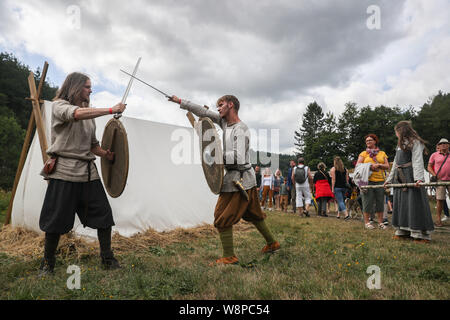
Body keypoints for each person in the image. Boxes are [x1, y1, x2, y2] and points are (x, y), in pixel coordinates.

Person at [169, 94, 279, 265]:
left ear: (231, 105)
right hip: (246, 180)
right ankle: (273, 243)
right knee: (254, 214)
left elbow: (238, 157)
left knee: (221, 216)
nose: (218, 108)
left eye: (220, 105)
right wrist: (181, 102)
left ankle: (229, 256)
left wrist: (215, 154)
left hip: (239, 180)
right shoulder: (224, 123)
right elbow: (203, 112)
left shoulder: (240, 129)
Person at [38, 72, 126, 275]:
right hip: (64, 172)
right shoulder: (59, 105)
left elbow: (92, 145)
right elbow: (75, 114)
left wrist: (107, 154)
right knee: (55, 220)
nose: (90, 90)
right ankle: (47, 264)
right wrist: (111, 109)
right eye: (87, 86)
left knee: (104, 216)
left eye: (90, 86)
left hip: (88, 173)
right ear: (75, 87)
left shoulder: (89, 115)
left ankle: (107, 259)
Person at [385, 121, 434, 242]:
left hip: (411, 176)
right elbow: (396, 163)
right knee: (401, 203)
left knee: (414, 203)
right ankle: (403, 231)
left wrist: (418, 179)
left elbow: (417, 161)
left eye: (396, 132)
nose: (395, 134)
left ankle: (419, 233)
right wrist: (389, 179)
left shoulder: (415, 142)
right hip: (399, 178)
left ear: (400, 131)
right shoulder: (400, 144)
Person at [356, 134, 389, 230]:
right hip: (366, 181)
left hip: (380, 181)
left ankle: (380, 223)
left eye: (370, 140)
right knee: (367, 202)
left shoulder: (382, 153)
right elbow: (358, 166)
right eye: (367, 141)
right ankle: (367, 222)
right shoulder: (363, 154)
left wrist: (379, 165)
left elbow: (387, 166)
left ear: (375, 141)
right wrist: (370, 166)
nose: (368, 142)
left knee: (380, 202)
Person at [427, 138, 450, 227]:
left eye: (445, 143)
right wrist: (434, 175)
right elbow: (429, 166)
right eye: (441, 143)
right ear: (438, 146)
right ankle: (439, 220)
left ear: (449, 145)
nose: (443, 145)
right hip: (440, 180)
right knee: (440, 200)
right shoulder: (434, 155)